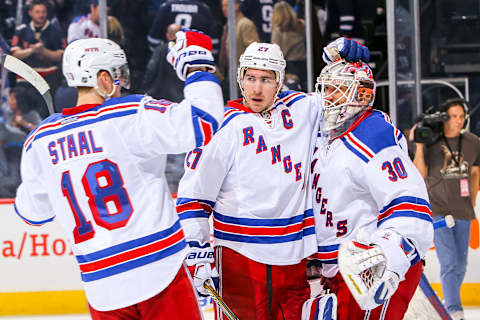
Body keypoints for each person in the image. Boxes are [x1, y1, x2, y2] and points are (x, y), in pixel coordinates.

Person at [14, 31, 224, 319]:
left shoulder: (39, 141)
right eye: (116, 75)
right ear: (102, 78)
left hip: (102, 288)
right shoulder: (130, 114)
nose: (120, 83)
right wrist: (197, 67)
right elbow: (204, 121)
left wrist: (40, 170)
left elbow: (33, 214)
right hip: (158, 272)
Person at [175, 39, 369, 319]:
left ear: (279, 82)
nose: (256, 88)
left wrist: (339, 58)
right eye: (250, 77)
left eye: (266, 79)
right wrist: (196, 248)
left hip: (294, 264)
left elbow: (343, 95)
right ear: (240, 78)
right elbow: (193, 199)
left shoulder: (302, 109)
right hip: (239, 262)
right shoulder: (221, 126)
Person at [310, 59, 434, 320]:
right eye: (326, 88)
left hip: (372, 270)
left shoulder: (372, 133)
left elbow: (408, 200)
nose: (326, 96)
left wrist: (390, 251)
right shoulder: (327, 135)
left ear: (361, 94)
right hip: (341, 272)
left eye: (337, 89)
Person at [413, 98, 480, 320]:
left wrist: (471, 201)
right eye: (453, 116)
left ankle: (450, 301)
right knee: (449, 261)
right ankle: (453, 308)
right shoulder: (431, 142)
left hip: (463, 211)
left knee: (461, 264)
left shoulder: (472, 142)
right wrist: (420, 145)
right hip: (438, 211)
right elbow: (419, 173)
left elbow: (474, 173)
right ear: (444, 118)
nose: (458, 121)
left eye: (461, 116)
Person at [10, 0, 65, 93]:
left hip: (50, 76)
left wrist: (43, 51)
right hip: (26, 78)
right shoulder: (21, 30)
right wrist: (32, 50)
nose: (41, 15)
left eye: (43, 12)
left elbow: (61, 56)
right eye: (37, 12)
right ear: (30, 13)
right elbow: (15, 54)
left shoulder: (56, 31)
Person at [271, 1, 307, 90]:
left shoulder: (278, 31)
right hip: (304, 64)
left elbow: (276, 53)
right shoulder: (302, 26)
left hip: (289, 67)